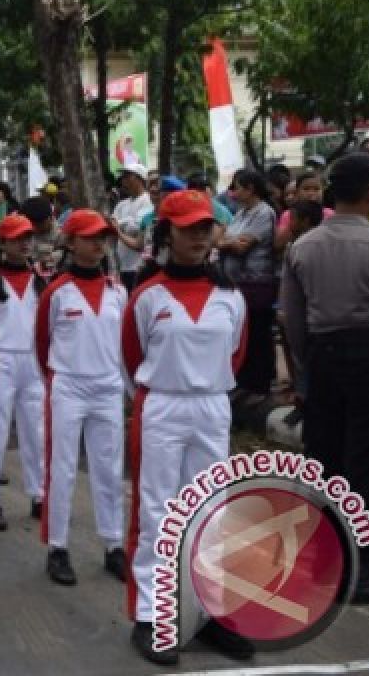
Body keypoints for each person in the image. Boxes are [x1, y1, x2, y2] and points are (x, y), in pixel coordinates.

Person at [123, 189, 251, 665]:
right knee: (156, 510)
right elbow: (132, 356)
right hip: (162, 407)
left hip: (212, 407)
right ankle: (149, 615)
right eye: (188, 228)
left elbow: (234, 353)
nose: (199, 236)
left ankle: (209, 614)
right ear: (166, 234)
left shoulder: (230, 296)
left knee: (212, 510)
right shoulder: (146, 294)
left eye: (206, 227)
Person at [281, 152, 369, 605]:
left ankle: (323, 557)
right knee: (366, 459)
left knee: (324, 457)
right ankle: (359, 566)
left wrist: (306, 369)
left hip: (322, 358)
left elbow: (293, 320)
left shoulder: (302, 247)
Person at [35, 210, 126, 586]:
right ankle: (58, 546)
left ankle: (113, 544)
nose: (98, 244)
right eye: (89, 237)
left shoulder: (117, 290)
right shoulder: (57, 291)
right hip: (69, 386)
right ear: (70, 243)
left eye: (103, 237)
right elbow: (41, 343)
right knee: (63, 468)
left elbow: (126, 346)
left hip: (108, 388)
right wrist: (57, 380)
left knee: (109, 468)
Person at [0, 214, 46, 530]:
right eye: (17, 238)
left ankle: (39, 494)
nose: (24, 243)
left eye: (28, 237)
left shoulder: (42, 280)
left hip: (32, 362)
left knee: (36, 430)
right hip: (2, 359)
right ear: (2, 243)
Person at [216, 169, 277, 399]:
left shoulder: (264, 213)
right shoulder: (241, 214)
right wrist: (226, 241)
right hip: (237, 284)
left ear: (250, 189)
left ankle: (259, 387)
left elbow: (240, 246)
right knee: (242, 336)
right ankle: (243, 384)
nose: (234, 193)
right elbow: (222, 240)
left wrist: (224, 242)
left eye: (238, 187)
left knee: (257, 337)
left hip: (256, 284)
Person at [111, 164, 153, 292]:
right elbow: (113, 224)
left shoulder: (147, 201)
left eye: (128, 176)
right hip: (121, 266)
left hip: (137, 265)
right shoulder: (121, 204)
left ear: (139, 179)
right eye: (123, 176)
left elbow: (135, 228)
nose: (124, 180)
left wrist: (119, 227)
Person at [273, 171, 332, 255]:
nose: (311, 193)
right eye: (306, 189)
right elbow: (278, 245)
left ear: (323, 191)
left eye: (316, 189)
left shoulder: (330, 214)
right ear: (297, 192)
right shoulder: (289, 215)